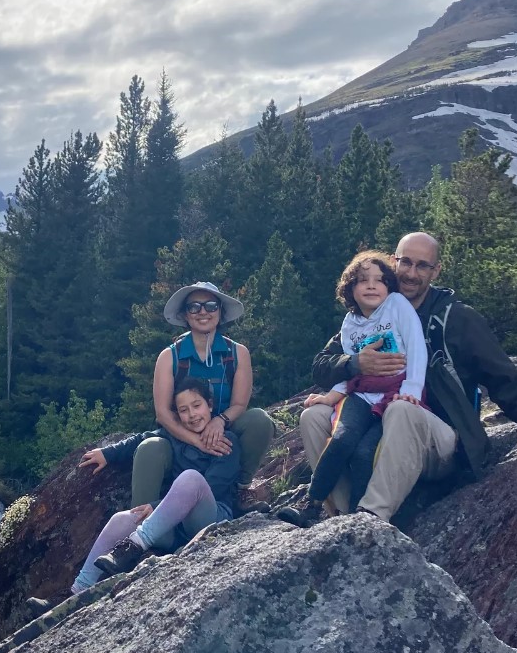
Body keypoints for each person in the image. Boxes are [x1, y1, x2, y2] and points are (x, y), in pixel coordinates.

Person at [297, 231, 517, 522]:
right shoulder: (372, 313)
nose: (411, 273)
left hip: (441, 444)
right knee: (313, 417)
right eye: (405, 262)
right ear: (393, 261)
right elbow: (321, 366)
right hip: (373, 427)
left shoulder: (457, 319)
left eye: (422, 265)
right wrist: (354, 364)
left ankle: (372, 517)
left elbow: (505, 379)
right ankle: (338, 514)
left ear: (436, 271)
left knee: (402, 408)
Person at [278, 251, 429, 528]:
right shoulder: (350, 323)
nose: (371, 285)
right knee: (341, 440)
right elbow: (349, 368)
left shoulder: (397, 305)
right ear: (350, 289)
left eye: (379, 280)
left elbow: (417, 346)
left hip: (393, 395)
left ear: (389, 286)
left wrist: (413, 389)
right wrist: (330, 397)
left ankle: (358, 520)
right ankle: (313, 504)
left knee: (365, 453)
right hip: (360, 396)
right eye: (362, 280)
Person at [67, 377, 241, 593]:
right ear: (177, 415)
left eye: (197, 406)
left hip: (209, 520)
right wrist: (107, 453)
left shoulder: (227, 441)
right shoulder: (175, 436)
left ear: (210, 405)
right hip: (175, 528)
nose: (192, 415)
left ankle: (134, 545)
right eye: (184, 410)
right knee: (120, 520)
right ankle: (78, 590)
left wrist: (156, 505)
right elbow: (139, 439)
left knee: (191, 478)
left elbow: (213, 489)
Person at [131, 282, 274, 520]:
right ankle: (137, 524)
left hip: (224, 437)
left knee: (259, 420)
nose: (203, 312)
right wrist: (198, 441)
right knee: (151, 448)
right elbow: (163, 414)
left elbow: (239, 403)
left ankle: (240, 490)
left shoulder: (238, 353)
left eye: (210, 305)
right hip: (181, 436)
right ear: (185, 315)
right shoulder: (169, 357)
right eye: (194, 307)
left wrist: (219, 421)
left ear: (220, 311)